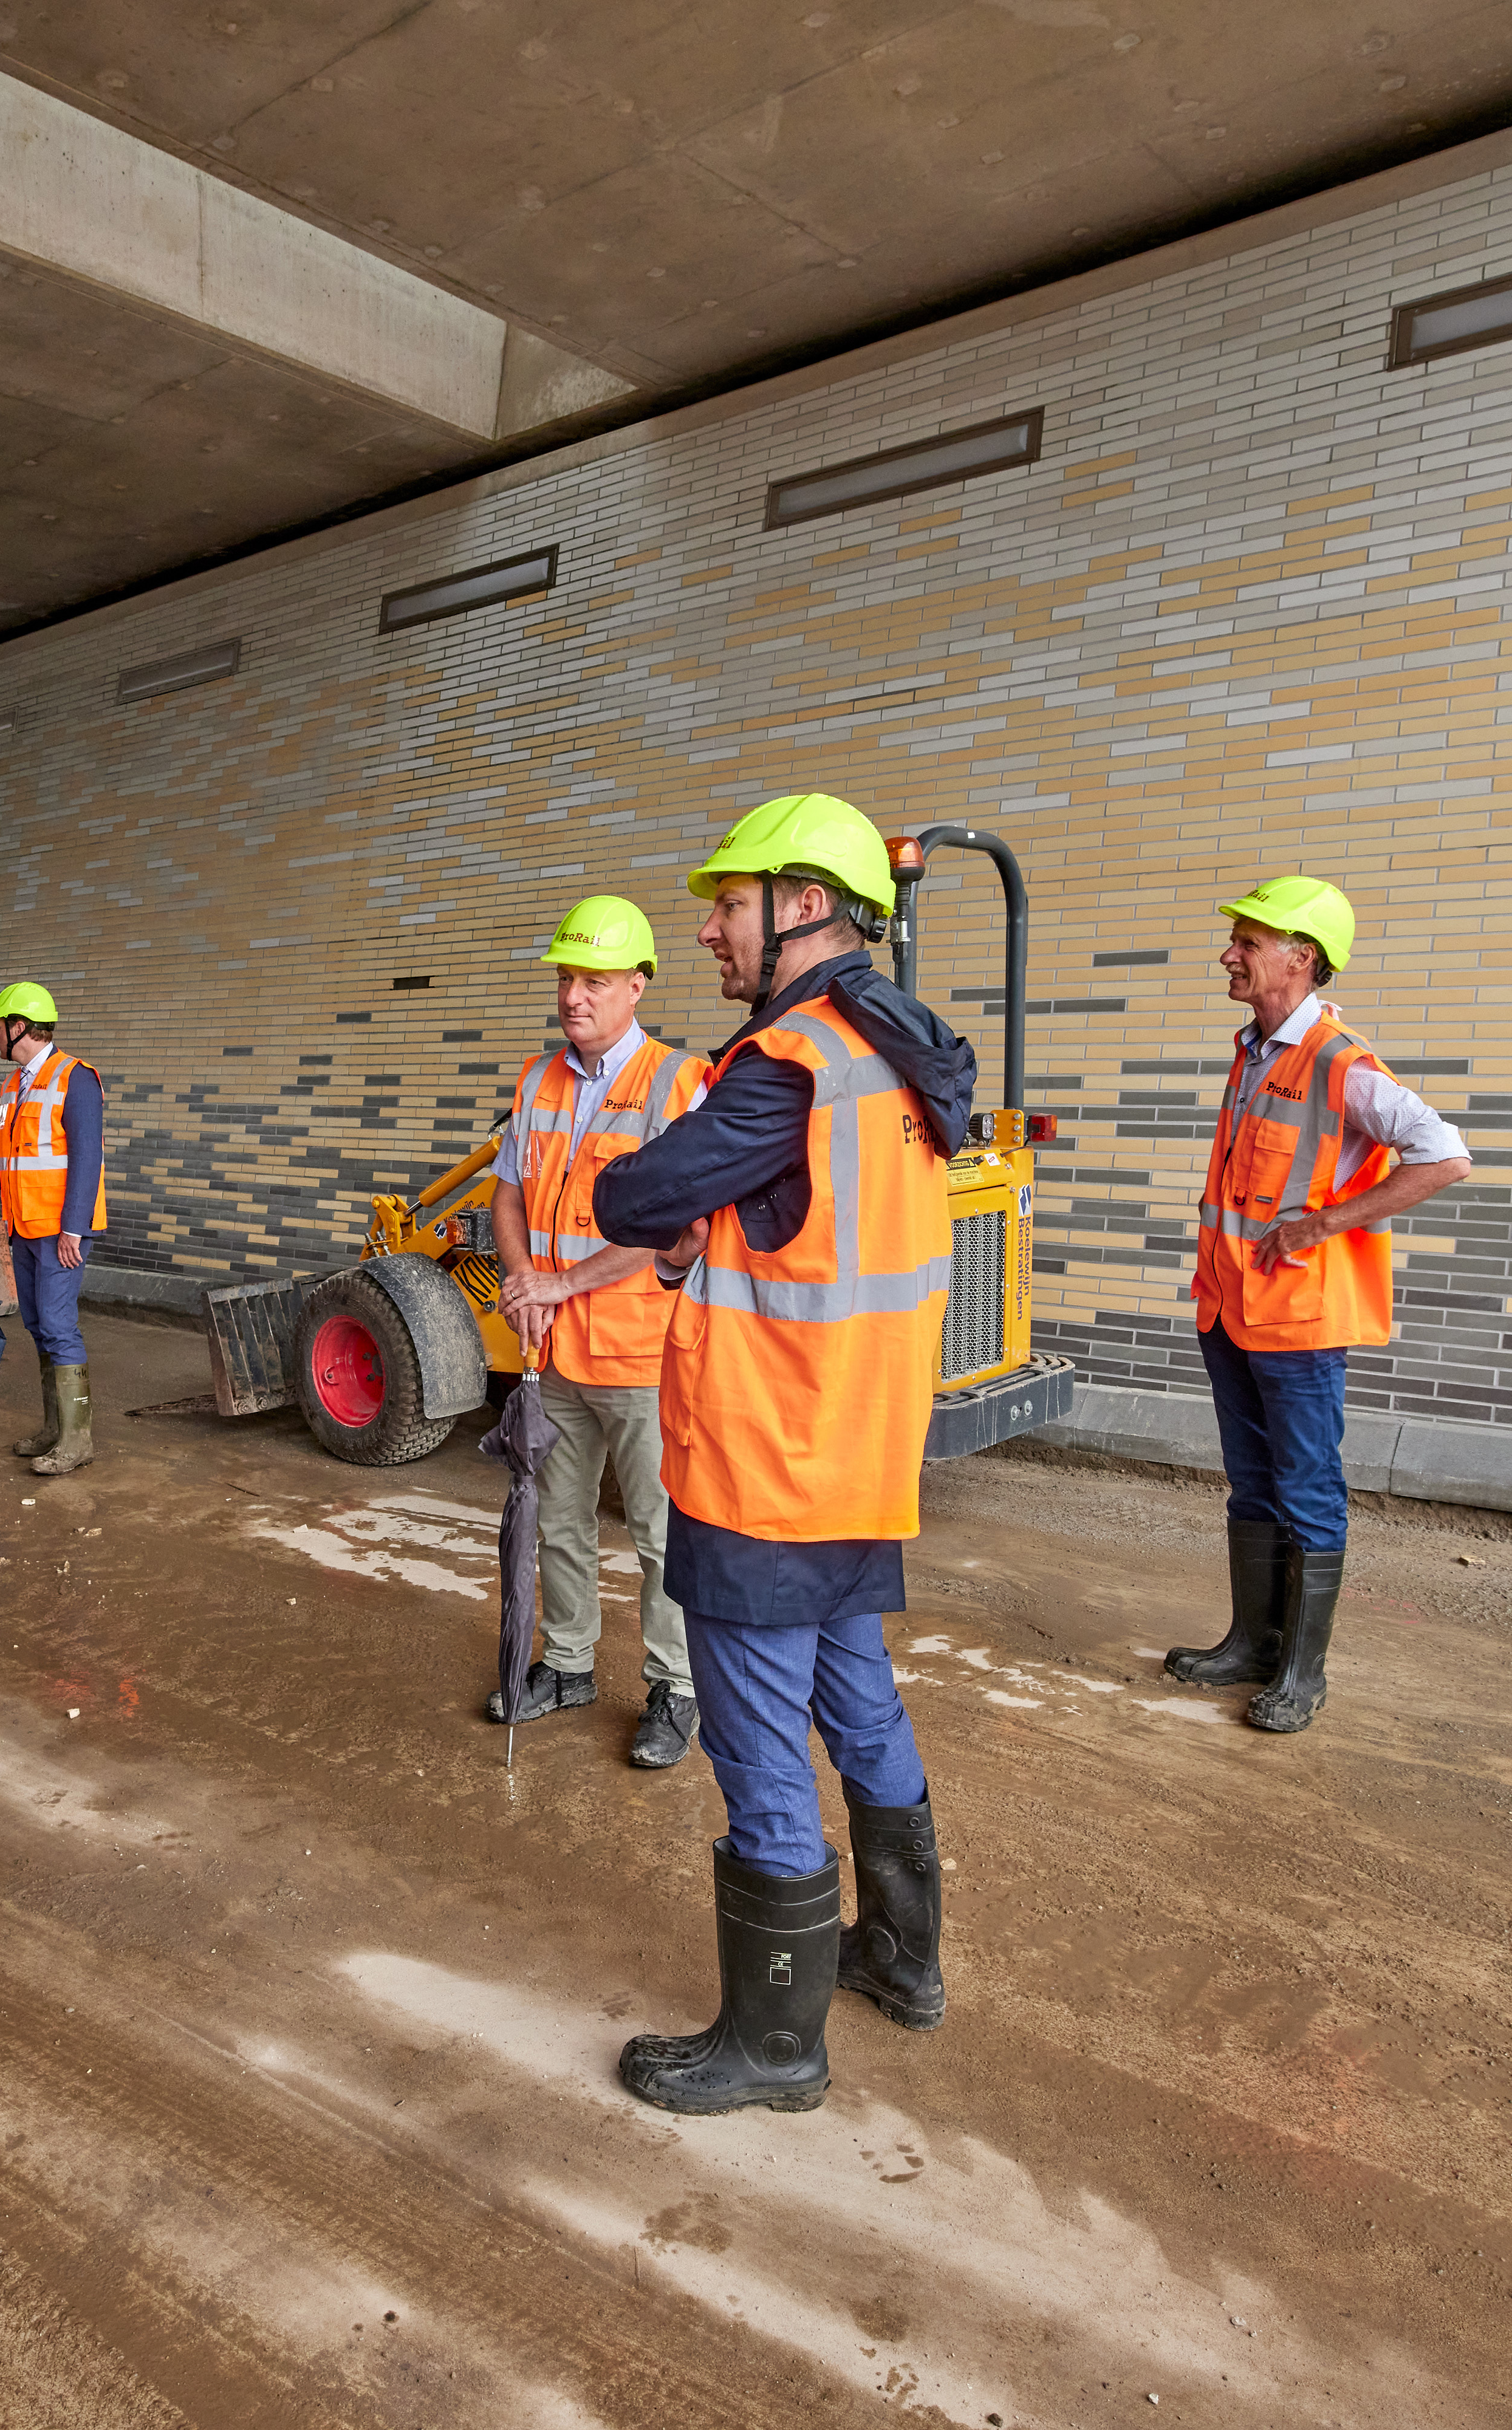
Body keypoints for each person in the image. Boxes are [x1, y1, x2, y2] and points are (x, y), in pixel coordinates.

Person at [590, 792, 973, 2115]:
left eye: (729, 904)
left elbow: (631, 1195)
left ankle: (774, 2043)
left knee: (757, 1735)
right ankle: (903, 1959)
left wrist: (680, 1205)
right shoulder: (900, 1050)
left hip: (768, 1461)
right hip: (861, 1453)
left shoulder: (792, 1060)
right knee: (858, 1701)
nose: (708, 929)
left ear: (804, 905)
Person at [1164, 877, 1471, 1733]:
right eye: (1235, 939)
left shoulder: (1339, 1063)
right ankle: (1249, 1645)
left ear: (1301, 959)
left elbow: (1445, 1155)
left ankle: (1302, 1672)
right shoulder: (1254, 1050)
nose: (1230, 953)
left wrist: (1326, 1223)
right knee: (1251, 1484)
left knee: (1306, 1489)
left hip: (1298, 1319)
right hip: (1230, 1309)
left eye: (1248, 941)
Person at [485, 894, 711, 1768]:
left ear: (637, 986)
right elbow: (508, 1192)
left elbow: (677, 1224)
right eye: (566, 978)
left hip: (642, 1358)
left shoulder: (674, 1084)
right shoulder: (538, 1081)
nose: (574, 996)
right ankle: (569, 1664)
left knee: (661, 1534)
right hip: (553, 1354)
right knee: (558, 1522)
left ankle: (675, 1688)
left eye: (595, 980)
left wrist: (562, 1280)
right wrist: (519, 1278)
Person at [0, 982, 106, 1477]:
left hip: (61, 1234)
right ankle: (56, 1431)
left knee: (58, 1326)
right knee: (38, 1328)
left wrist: (74, 1229)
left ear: (20, 1028)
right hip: (25, 1228)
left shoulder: (75, 1079)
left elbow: (86, 1159)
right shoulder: (15, 1086)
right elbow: (4, 1159)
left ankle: (78, 1441)